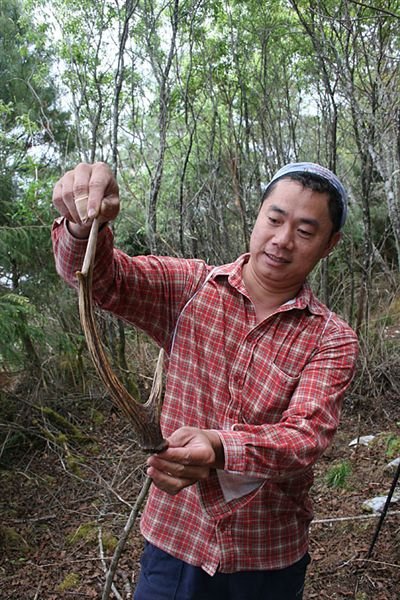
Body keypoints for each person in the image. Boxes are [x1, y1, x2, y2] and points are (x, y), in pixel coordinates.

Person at [51, 161, 358, 600]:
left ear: (331, 244)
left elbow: (304, 437)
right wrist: (84, 228)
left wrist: (217, 447)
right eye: (274, 219)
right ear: (257, 216)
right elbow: (100, 280)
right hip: (175, 543)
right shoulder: (190, 288)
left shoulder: (331, 338)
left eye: (307, 232)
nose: (283, 240)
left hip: (268, 555)